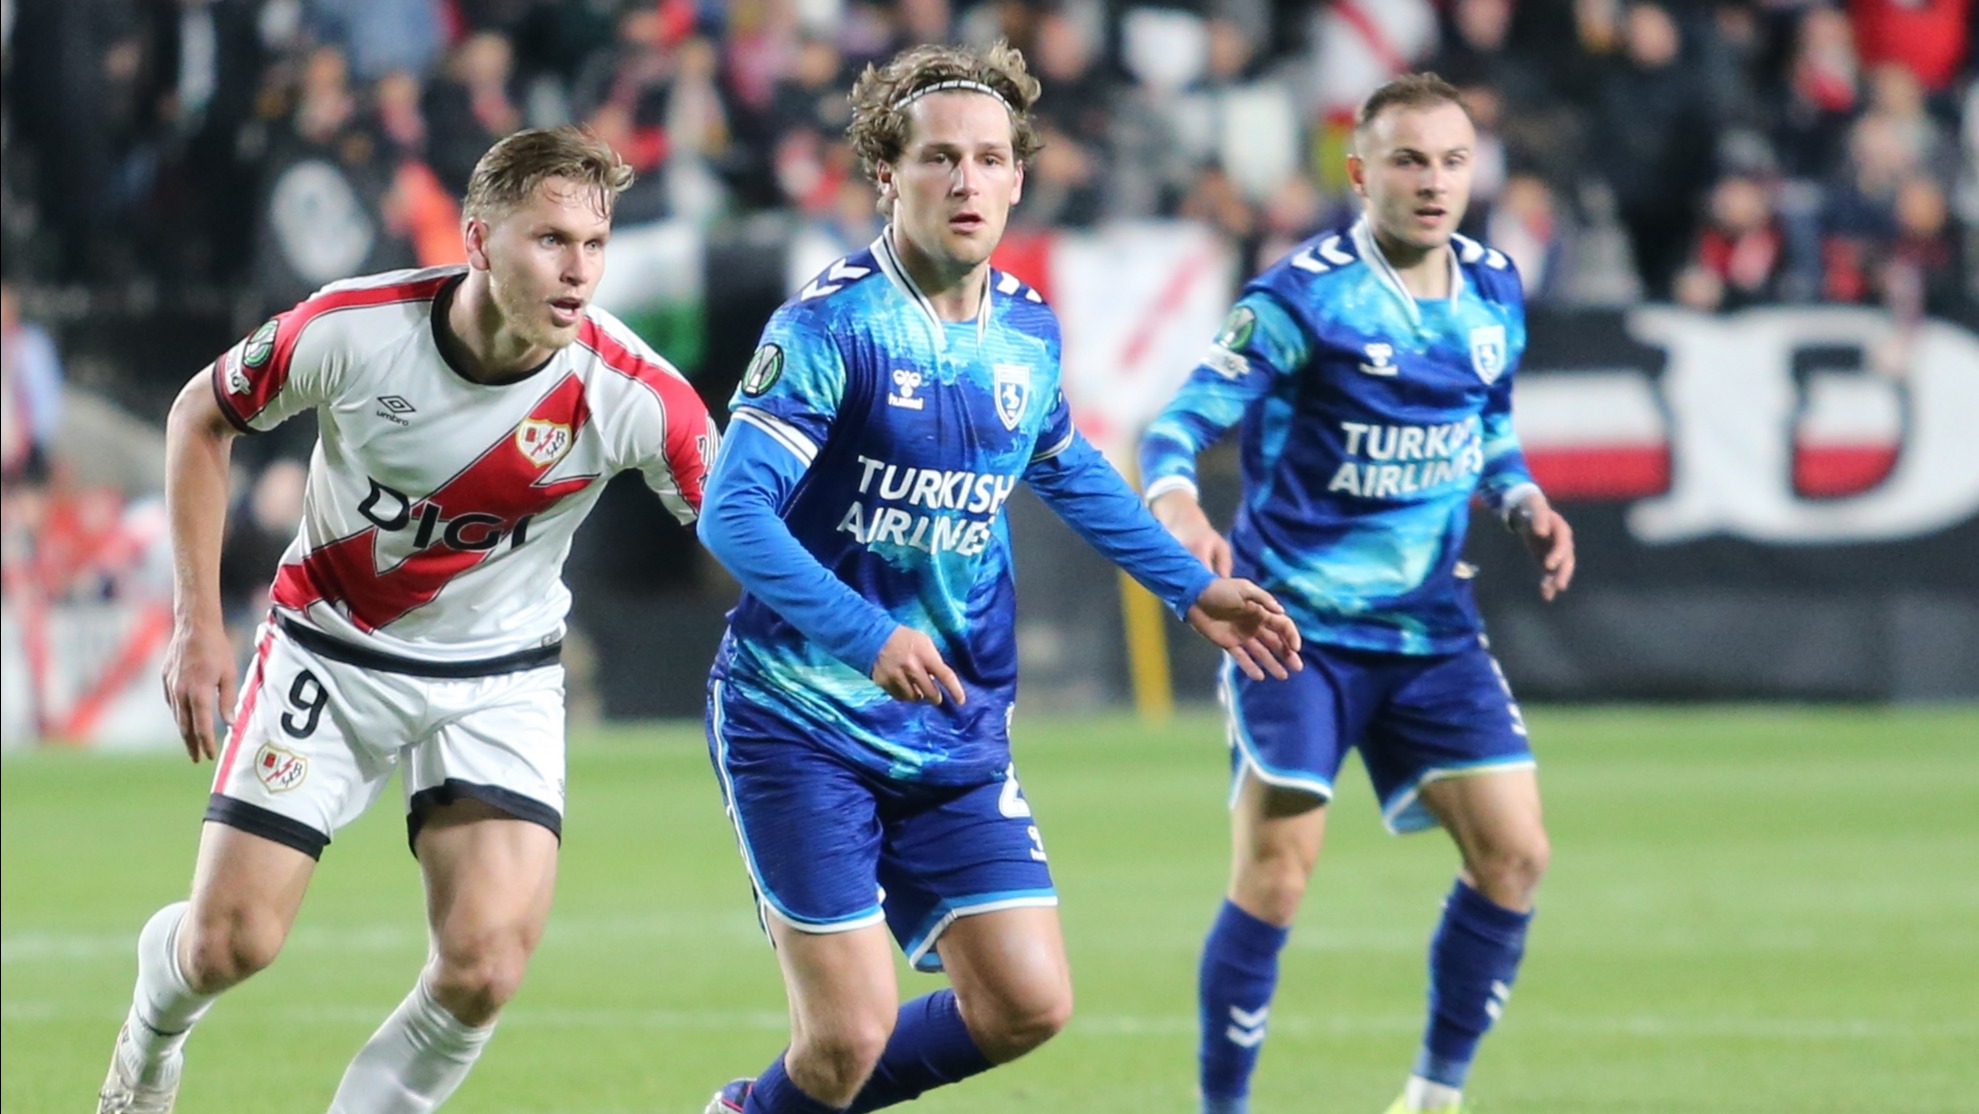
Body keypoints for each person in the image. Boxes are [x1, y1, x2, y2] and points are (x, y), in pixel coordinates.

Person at [695, 41, 1304, 1114]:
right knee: (843, 1040)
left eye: (987, 159)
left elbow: (1066, 468)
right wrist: (866, 634)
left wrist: (1187, 585)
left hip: (952, 720)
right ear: (886, 175)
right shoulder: (831, 327)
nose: (965, 180)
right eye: (938, 158)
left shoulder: (1024, 329)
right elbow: (731, 513)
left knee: (1025, 1002)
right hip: (803, 717)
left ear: (1019, 177)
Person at [96, 125, 719, 1114]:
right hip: (331, 651)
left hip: (499, 676)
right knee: (229, 945)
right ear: (477, 240)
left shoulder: (633, 393)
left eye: (594, 245)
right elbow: (199, 417)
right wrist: (197, 622)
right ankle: (148, 1039)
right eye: (550, 240)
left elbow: (744, 529)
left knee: (483, 968)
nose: (577, 271)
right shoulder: (355, 328)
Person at [1138, 73, 1576, 1114]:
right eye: (1408, 160)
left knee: (1515, 854)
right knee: (1277, 874)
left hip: (1429, 628)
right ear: (1358, 172)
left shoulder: (1493, 287)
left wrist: (1521, 500)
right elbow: (1177, 425)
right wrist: (1176, 508)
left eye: (1452, 161)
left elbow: (1487, 425)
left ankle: (1431, 1097)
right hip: (1294, 632)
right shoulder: (1301, 298)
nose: (1432, 182)